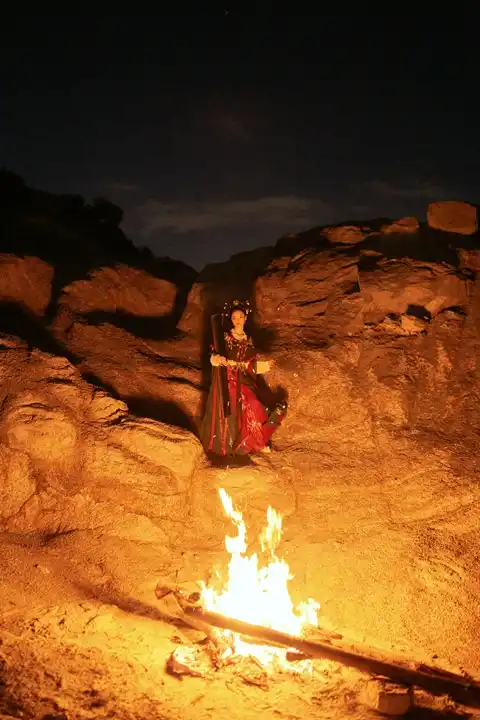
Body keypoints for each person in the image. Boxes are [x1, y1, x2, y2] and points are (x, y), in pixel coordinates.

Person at [200, 300, 286, 457]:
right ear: (231, 319)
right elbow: (212, 353)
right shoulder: (225, 337)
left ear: (245, 318)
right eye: (234, 317)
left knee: (256, 407)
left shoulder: (249, 340)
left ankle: (257, 440)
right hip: (228, 380)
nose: (237, 320)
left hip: (245, 381)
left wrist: (264, 365)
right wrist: (217, 358)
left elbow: (248, 365)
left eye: (240, 317)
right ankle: (255, 443)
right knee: (242, 410)